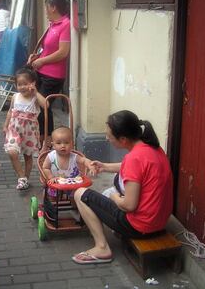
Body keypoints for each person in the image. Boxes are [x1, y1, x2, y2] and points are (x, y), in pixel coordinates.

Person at [71, 110, 173, 264]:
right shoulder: (153, 148)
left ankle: (102, 247)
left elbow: (129, 206)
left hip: (139, 227)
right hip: (159, 222)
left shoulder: (134, 158)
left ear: (123, 139)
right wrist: (104, 166)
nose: (106, 138)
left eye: (109, 136)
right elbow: (135, 168)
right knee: (115, 185)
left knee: (80, 194)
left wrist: (115, 198)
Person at [27, 0, 71, 150]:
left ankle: (47, 144)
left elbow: (63, 52)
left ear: (53, 7)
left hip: (53, 76)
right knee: (38, 107)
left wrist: (42, 61)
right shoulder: (53, 24)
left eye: (47, 7)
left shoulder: (66, 24)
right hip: (41, 71)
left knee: (43, 106)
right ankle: (43, 142)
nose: (45, 11)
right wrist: (37, 56)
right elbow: (47, 49)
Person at [3, 67, 46, 190]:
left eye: (25, 84)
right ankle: (21, 177)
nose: (22, 87)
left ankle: (25, 179)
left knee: (28, 156)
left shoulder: (35, 98)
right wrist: (5, 125)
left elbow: (46, 105)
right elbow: (10, 112)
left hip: (29, 131)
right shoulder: (15, 96)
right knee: (12, 152)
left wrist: (36, 92)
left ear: (33, 83)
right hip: (14, 129)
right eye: (19, 84)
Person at [42, 126, 93, 198]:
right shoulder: (51, 156)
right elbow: (45, 168)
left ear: (72, 144)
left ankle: (76, 204)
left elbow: (84, 160)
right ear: (53, 145)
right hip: (57, 182)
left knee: (76, 196)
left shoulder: (74, 157)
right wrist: (51, 177)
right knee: (52, 195)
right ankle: (52, 205)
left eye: (66, 143)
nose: (63, 146)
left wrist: (90, 164)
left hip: (72, 184)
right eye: (59, 143)